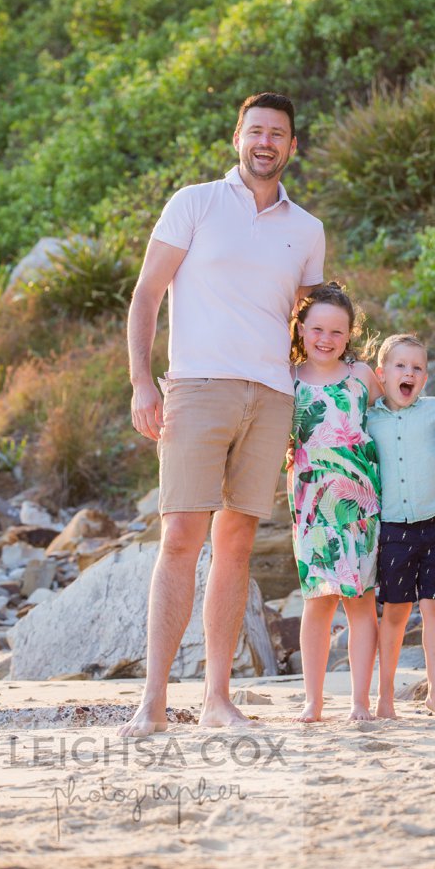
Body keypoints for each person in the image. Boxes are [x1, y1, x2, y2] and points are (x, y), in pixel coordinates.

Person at [120, 92, 326, 736]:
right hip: (196, 387)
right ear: (238, 137)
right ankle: (151, 701)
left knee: (235, 545)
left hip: (271, 396)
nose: (266, 142)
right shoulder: (195, 202)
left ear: (293, 148)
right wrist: (141, 385)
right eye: (256, 130)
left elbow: (307, 323)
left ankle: (217, 699)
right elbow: (147, 294)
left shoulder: (308, 229)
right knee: (181, 537)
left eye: (279, 134)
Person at [288, 283, 383, 722]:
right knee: (317, 602)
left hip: (360, 506)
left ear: (349, 335)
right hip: (310, 506)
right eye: (318, 329)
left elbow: (391, 420)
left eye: (337, 332)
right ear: (301, 329)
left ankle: (360, 701)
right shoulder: (287, 379)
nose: (326, 339)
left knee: (360, 601)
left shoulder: (362, 376)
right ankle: (313, 699)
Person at [366, 334, 435, 720]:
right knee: (395, 613)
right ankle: (384, 698)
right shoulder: (370, 417)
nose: (409, 373)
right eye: (400, 366)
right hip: (393, 530)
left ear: (425, 377)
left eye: (417, 367)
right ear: (382, 375)